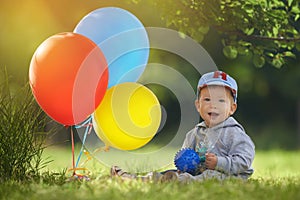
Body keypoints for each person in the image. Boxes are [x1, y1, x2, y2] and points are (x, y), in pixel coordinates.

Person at [111, 70, 255, 183]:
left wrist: (219, 162)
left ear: (232, 108)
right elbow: (185, 158)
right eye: (207, 99)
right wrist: (183, 163)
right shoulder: (194, 134)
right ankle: (136, 179)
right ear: (198, 105)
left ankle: (176, 181)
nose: (213, 104)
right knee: (172, 173)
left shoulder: (234, 133)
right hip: (196, 173)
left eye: (221, 100)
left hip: (227, 175)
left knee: (211, 176)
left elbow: (244, 161)